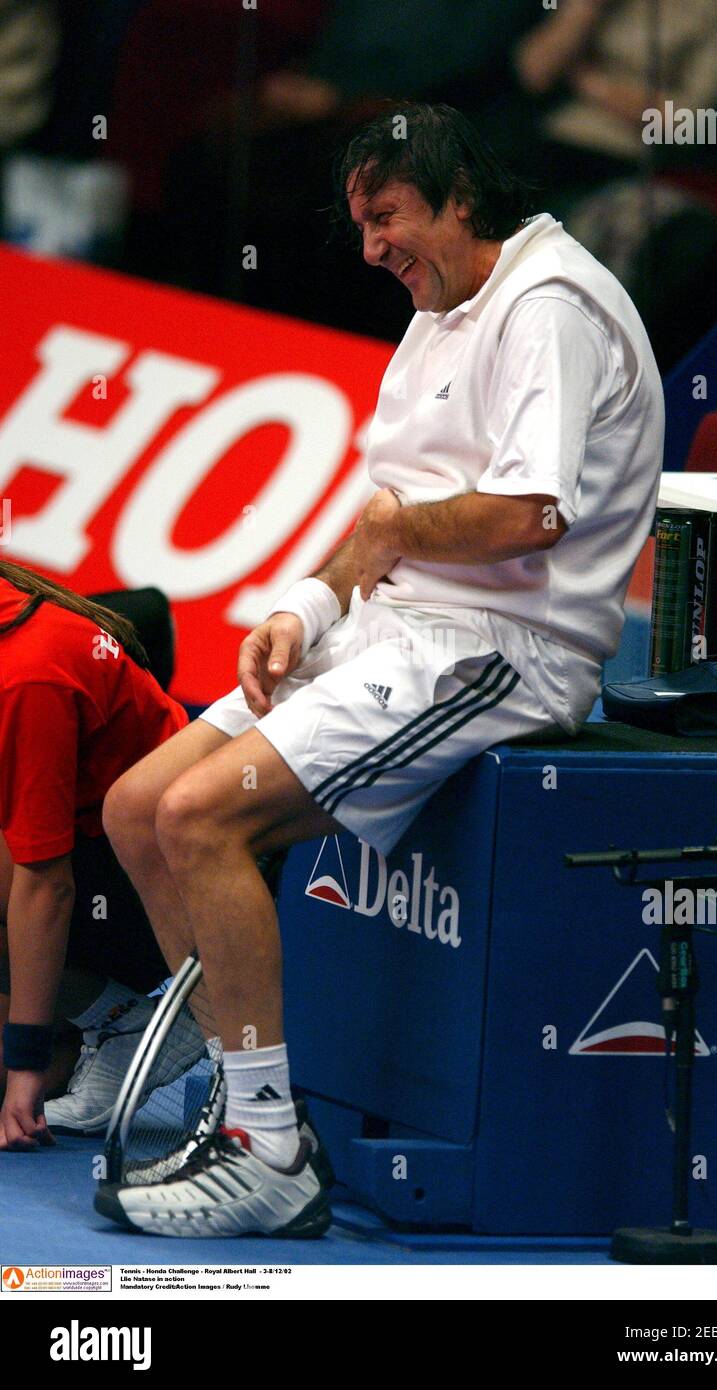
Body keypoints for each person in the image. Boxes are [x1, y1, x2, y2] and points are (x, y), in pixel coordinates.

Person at [96, 102, 665, 1239]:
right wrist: (304, 609)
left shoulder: (546, 307)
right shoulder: (441, 311)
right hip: (398, 633)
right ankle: (242, 1100)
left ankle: (269, 1153)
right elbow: (382, 517)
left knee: (203, 818)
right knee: (137, 805)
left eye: (386, 217)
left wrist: (394, 543)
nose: (369, 249)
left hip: (503, 653)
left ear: (461, 198)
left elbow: (523, 514)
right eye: (359, 224)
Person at [0, 561, 193, 1151]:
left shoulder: (27, 679)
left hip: (158, 886)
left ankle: (119, 1017)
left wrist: (22, 1069)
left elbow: (44, 884)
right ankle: (83, 1030)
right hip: (93, 853)